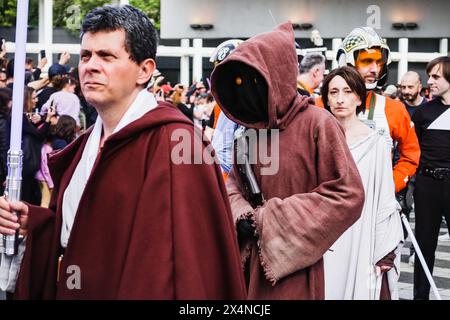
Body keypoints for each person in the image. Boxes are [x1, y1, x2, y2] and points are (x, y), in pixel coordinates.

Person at [0, 4, 246, 300]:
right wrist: (34, 222)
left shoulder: (178, 143)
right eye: (86, 55)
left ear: (145, 70)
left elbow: (186, 266)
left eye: (107, 56)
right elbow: (85, 230)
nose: (90, 65)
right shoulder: (89, 141)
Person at [211, 22, 365, 299]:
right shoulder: (249, 130)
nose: (247, 89)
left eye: (254, 80)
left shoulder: (318, 123)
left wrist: (273, 219)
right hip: (247, 262)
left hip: (294, 263)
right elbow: (234, 183)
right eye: (240, 82)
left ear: (277, 77)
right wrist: (241, 215)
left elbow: (347, 193)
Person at [321, 66, 404, 300]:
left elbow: (385, 199)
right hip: (325, 233)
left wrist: (383, 248)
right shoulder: (317, 140)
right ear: (326, 98)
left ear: (358, 97)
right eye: (333, 92)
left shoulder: (377, 143)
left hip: (362, 231)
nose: (340, 99)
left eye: (347, 91)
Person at [317, 27, 420, 194]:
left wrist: (391, 184)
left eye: (379, 62)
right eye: (366, 61)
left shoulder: (393, 109)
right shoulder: (319, 106)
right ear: (346, 61)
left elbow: (410, 155)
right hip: (330, 197)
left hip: (375, 198)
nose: (375, 69)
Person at [411, 56, 450, 300]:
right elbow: (409, 151)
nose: (429, 81)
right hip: (427, 186)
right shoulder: (422, 112)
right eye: (429, 76)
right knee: (424, 248)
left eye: (435, 76)